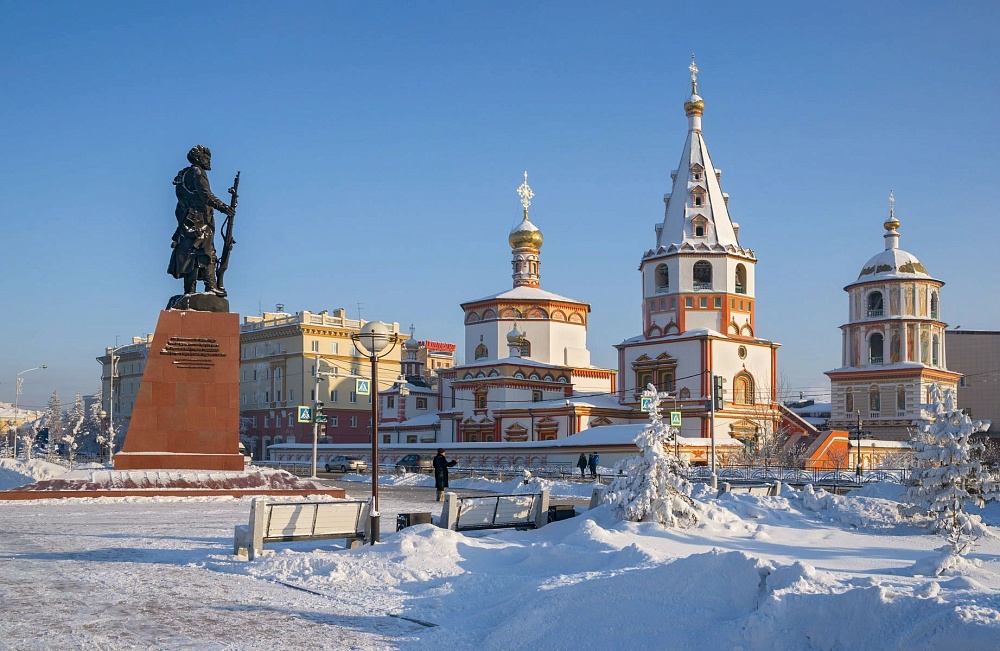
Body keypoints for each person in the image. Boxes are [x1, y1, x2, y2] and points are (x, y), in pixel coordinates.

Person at [168, 145, 235, 296]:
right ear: (199, 158)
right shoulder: (198, 172)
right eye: (206, 158)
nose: (209, 161)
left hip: (188, 219)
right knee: (206, 252)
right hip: (200, 220)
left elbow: (180, 203)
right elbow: (205, 195)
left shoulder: (183, 175)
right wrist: (224, 207)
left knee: (192, 256)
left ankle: (189, 291)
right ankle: (210, 285)